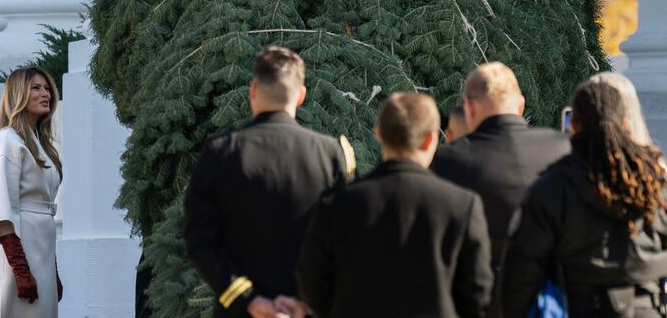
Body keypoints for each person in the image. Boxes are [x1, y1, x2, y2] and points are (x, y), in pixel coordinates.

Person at [183, 46, 354, 318]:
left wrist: (250, 300)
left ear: (253, 90)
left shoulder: (220, 153)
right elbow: (343, 244)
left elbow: (200, 241)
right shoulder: (331, 154)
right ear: (301, 95)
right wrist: (304, 302)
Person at [296, 92, 493, 318]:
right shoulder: (462, 205)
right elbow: (477, 294)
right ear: (430, 139)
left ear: (378, 133)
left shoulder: (337, 202)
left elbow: (312, 285)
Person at [501, 78, 667, 317]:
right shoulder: (657, 183)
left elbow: (519, 275)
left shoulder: (553, 187)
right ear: (625, 124)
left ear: (574, 126)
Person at [431, 62, 570, 315]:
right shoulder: (564, 150)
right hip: (552, 302)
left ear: (469, 108)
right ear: (521, 105)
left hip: (477, 305)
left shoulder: (446, 161)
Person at [0, 67, 63, 318]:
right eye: (35, 88)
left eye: (47, 88)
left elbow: (43, 211)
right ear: (18, 94)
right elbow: (2, 209)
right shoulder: (8, 141)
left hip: (41, 249)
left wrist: (53, 270)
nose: (45, 93)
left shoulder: (40, 144)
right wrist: (20, 270)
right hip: (18, 251)